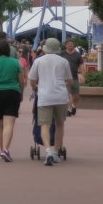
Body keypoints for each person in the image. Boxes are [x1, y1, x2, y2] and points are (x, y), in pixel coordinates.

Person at [29, 37, 72, 166]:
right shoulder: (64, 61)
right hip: (60, 96)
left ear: (45, 49)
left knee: (44, 125)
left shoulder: (39, 61)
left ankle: (47, 150)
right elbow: (69, 80)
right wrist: (63, 86)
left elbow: (32, 80)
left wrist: (35, 87)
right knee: (60, 124)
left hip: (44, 96)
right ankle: (55, 151)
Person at [62, 39, 85, 116]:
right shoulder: (62, 54)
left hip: (74, 77)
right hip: (64, 78)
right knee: (67, 94)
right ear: (66, 45)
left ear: (73, 45)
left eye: (71, 43)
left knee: (76, 95)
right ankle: (68, 110)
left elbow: (81, 66)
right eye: (68, 43)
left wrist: (83, 76)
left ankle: (73, 106)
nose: (70, 45)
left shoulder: (77, 55)